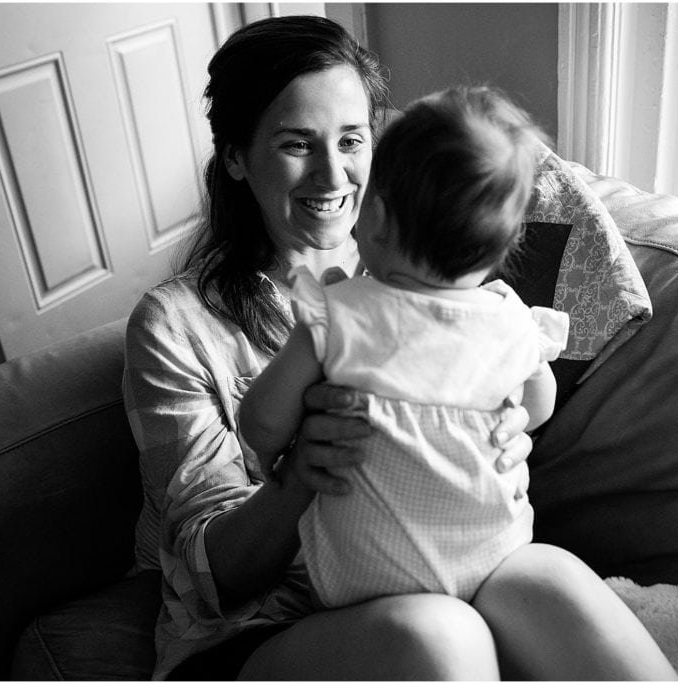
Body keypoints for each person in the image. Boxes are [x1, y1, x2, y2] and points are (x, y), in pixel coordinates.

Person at [123, 14, 676, 681]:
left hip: (430, 572)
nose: (333, 175)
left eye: (351, 140)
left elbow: (526, 390)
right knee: (439, 635)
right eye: (298, 143)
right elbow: (217, 578)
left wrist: (504, 429)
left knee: (548, 579)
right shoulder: (174, 324)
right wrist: (300, 474)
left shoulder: (426, 267)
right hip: (258, 633)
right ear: (236, 155)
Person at [239, 85, 572, 609]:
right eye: (299, 144)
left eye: (353, 142)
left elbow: (259, 425)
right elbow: (536, 407)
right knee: (553, 583)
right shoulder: (510, 317)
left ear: (378, 217)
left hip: (371, 586)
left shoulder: (339, 312)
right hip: (495, 560)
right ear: (501, 250)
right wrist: (510, 417)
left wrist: (287, 437)